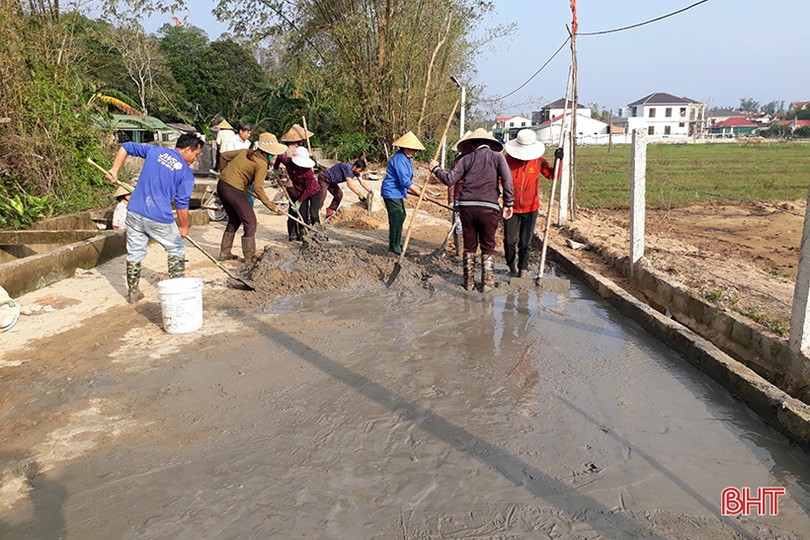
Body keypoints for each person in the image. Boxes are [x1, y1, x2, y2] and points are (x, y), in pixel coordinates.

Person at [105, 133, 204, 303]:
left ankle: (133, 293)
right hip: (158, 215)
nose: (195, 159)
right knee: (176, 249)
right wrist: (184, 227)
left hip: (134, 210)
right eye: (196, 154)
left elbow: (126, 146)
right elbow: (182, 204)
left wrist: (114, 169)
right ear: (188, 150)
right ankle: (177, 291)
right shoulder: (186, 174)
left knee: (135, 251)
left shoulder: (155, 151)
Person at [430, 128, 513, 292]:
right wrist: (509, 203)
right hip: (489, 208)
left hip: (467, 207)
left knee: (469, 246)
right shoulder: (498, 158)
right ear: (490, 143)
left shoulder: (466, 159)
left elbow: (449, 179)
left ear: (472, 144)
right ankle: (487, 285)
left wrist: (436, 169)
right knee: (488, 246)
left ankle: (468, 284)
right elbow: (507, 181)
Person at [217, 133, 287, 261]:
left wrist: (224, 173)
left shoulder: (245, 152)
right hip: (233, 189)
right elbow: (258, 188)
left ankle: (225, 252)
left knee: (234, 219)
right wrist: (273, 207)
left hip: (222, 185)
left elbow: (223, 156)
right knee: (250, 222)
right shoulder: (261, 163)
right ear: (268, 153)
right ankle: (250, 257)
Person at [502, 128, 561, 277]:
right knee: (509, 241)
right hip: (511, 207)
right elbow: (498, 179)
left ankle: (523, 269)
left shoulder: (538, 160)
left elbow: (551, 175)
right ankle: (511, 265)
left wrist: (558, 160)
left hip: (531, 206)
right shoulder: (507, 160)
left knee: (525, 242)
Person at [381, 131, 424, 254]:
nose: (411, 151)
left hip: (397, 192)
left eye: (413, 149)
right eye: (408, 148)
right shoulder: (399, 159)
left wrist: (418, 191)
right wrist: (418, 193)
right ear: (403, 147)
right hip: (391, 192)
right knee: (397, 217)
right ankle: (394, 246)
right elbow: (404, 180)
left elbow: (407, 179)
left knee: (401, 215)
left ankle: (397, 243)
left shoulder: (406, 159)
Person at [274, 145, 319, 240]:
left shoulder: (308, 172)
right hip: (300, 190)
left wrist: (299, 201)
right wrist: (275, 168)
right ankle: (297, 236)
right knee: (302, 215)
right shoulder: (288, 162)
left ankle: (316, 234)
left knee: (313, 214)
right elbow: (279, 157)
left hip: (313, 191)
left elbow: (308, 189)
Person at [448, 130, 472, 256]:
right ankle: (460, 250)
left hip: (475, 198)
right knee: (458, 225)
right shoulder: (458, 161)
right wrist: (451, 199)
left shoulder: (480, 161)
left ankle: (469, 251)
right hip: (459, 197)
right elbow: (451, 181)